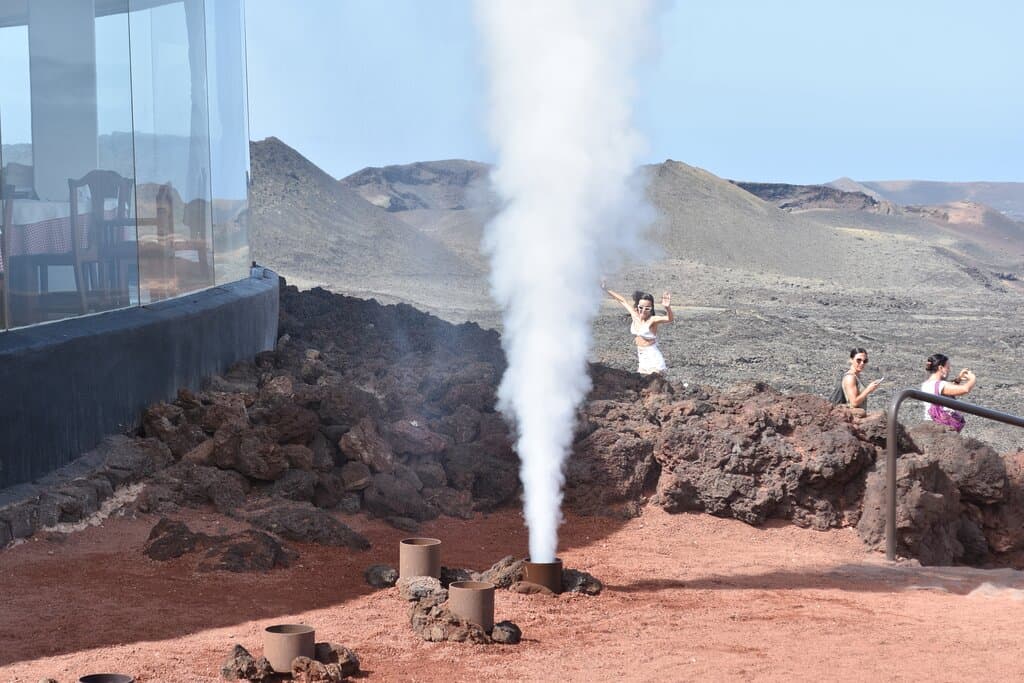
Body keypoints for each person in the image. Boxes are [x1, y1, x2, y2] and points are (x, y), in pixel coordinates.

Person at [602, 282, 673, 375]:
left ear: (651, 309)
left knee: (655, 385)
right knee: (642, 384)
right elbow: (622, 301)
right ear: (637, 306)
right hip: (641, 357)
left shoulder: (653, 320)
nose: (643, 311)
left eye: (647, 308)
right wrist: (606, 289)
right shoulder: (635, 316)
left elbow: (669, 319)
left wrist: (667, 308)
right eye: (641, 307)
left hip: (653, 357)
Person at [921, 353, 975, 426]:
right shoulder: (940, 385)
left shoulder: (926, 384)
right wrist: (973, 379)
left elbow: (947, 390)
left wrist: (958, 379)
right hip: (940, 426)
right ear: (940, 368)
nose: (949, 370)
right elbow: (965, 389)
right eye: (948, 367)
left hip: (930, 422)